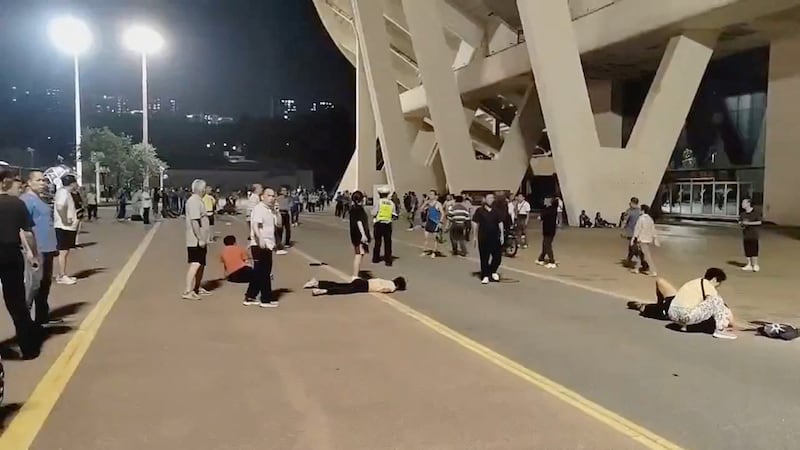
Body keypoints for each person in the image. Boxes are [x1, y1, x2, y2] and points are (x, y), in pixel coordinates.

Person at [0, 167, 42, 358]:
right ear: (4, 183)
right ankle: (29, 348)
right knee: (16, 302)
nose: (18, 185)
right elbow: (27, 233)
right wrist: (33, 254)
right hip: (10, 254)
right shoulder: (16, 204)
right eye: (14, 181)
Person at [633, 268, 736, 340]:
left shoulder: (695, 282)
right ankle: (720, 330)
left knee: (708, 303)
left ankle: (684, 325)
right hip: (684, 316)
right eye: (719, 283)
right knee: (716, 300)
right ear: (714, 279)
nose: (718, 286)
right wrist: (730, 323)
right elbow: (717, 306)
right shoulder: (709, 286)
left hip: (672, 313)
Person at [21, 171, 62, 325]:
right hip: (37, 249)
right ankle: (24, 320)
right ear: (29, 183)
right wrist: (30, 251)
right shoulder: (26, 201)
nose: (43, 183)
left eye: (44, 180)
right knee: (34, 285)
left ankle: (42, 317)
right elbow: (22, 229)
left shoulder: (40, 199)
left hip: (48, 247)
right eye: (39, 180)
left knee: (45, 284)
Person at [246, 188, 279, 307]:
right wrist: (260, 239)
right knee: (264, 273)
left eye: (273, 196)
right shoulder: (259, 208)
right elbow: (255, 225)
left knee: (260, 272)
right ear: (262, 197)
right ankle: (265, 299)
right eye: (269, 195)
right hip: (260, 244)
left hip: (268, 244)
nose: (272, 198)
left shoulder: (270, 210)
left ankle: (250, 296)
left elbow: (278, 224)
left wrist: (277, 212)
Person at [182, 179, 212, 300]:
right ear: (202, 189)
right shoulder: (194, 201)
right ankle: (187, 290)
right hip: (195, 239)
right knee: (195, 263)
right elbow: (195, 221)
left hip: (201, 239)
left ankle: (197, 287)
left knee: (201, 264)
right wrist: (200, 238)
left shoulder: (198, 201)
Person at [472, 193, 504, 284]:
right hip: (483, 237)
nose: (491, 199)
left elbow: (500, 223)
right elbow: (474, 222)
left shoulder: (496, 211)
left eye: (492, 198)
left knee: (497, 257)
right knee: (484, 258)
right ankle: (485, 275)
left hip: (495, 237)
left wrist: (501, 235)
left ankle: (492, 271)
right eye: (489, 198)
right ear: (485, 199)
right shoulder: (479, 211)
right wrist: (474, 236)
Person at [54, 174, 79, 285]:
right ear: (72, 183)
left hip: (66, 227)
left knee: (65, 251)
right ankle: (62, 275)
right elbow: (60, 207)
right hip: (64, 227)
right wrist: (65, 219)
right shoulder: (63, 193)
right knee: (63, 252)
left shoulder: (64, 192)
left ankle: (62, 274)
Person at [303, 276, 407, 296]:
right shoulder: (392, 288)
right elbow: (384, 290)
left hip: (364, 282)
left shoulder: (388, 280)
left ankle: (317, 283)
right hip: (365, 288)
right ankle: (323, 290)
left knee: (341, 285)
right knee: (343, 290)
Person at [371, 186, 397, 266]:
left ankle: (376, 258)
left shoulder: (379, 202)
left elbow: (374, 213)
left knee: (378, 242)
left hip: (379, 224)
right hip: (388, 224)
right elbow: (394, 214)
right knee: (388, 242)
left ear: (380, 194)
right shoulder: (391, 203)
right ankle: (388, 260)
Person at [631, 204, 659, 276]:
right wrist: (655, 238)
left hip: (642, 239)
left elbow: (637, 229)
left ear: (643, 211)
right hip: (648, 239)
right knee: (641, 254)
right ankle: (637, 268)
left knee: (646, 255)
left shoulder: (641, 219)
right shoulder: (650, 219)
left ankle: (653, 270)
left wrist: (633, 238)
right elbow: (653, 229)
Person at [348, 190, 371, 279]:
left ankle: (355, 274)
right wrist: (363, 235)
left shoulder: (353, 208)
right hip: (359, 235)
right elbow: (359, 222)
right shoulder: (359, 209)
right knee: (358, 255)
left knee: (360, 254)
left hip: (355, 235)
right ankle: (355, 276)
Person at [739, 198, 761, 272]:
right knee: (747, 250)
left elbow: (759, 222)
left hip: (753, 235)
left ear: (748, 203)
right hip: (746, 235)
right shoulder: (743, 214)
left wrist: (749, 223)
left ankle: (755, 265)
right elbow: (740, 222)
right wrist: (742, 223)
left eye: (743, 202)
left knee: (754, 250)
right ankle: (749, 264)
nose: (742, 204)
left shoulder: (755, 213)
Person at [536, 197, 558, 268]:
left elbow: (542, 216)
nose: (545, 201)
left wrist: (541, 216)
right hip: (547, 230)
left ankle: (552, 261)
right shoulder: (550, 209)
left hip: (549, 230)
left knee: (547, 245)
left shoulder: (551, 209)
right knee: (545, 244)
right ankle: (541, 258)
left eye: (547, 200)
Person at [622, 197, 643, 268]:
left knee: (633, 247)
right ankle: (629, 260)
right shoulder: (640, 211)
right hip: (639, 232)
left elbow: (625, 221)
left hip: (631, 232)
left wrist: (622, 230)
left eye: (630, 202)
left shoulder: (629, 211)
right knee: (632, 246)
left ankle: (642, 261)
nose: (629, 204)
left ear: (633, 203)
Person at [422, 190, 443, 258]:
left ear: (435, 196)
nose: (430, 195)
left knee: (434, 238)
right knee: (426, 237)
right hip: (429, 221)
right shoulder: (428, 203)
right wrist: (425, 204)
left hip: (435, 222)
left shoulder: (438, 204)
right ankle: (425, 251)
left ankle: (434, 252)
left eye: (431, 194)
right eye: (430, 194)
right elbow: (421, 208)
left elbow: (443, 213)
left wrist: (440, 222)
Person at [275, 186, 292, 254]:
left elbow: (290, 205)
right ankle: (279, 243)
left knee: (288, 229)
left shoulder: (288, 198)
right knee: (280, 229)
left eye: (286, 190)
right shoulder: (278, 198)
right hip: (280, 214)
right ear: (281, 191)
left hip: (286, 214)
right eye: (283, 190)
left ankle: (287, 242)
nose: (285, 192)